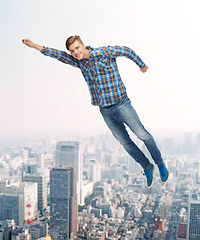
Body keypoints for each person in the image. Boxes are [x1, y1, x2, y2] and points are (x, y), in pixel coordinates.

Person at [22, 35, 169, 188]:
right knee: (125, 143)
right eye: (72, 51)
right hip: (105, 110)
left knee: (142, 135)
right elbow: (58, 55)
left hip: (122, 104)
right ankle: (146, 166)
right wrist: (34, 46)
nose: (75, 53)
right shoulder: (79, 63)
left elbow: (126, 50)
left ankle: (160, 164)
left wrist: (141, 64)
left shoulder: (104, 52)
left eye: (77, 48)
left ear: (83, 45)